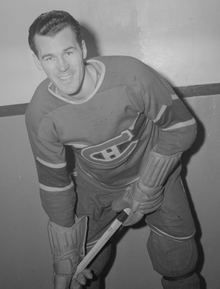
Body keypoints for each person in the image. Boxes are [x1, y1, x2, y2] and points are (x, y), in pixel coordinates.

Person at [25, 10, 200, 289]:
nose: (63, 68)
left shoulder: (133, 75)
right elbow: (55, 186)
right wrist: (65, 258)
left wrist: (147, 186)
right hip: (95, 187)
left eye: (68, 52)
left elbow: (181, 128)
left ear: (82, 49)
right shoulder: (40, 114)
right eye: (49, 58)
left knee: (180, 263)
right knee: (82, 273)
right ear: (37, 62)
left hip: (156, 174)